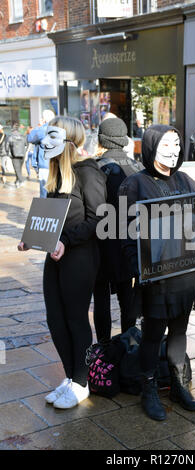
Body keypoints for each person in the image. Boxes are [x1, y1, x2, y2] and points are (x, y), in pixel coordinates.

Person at [18, 116, 107, 409]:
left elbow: (100, 220)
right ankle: (70, 376)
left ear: (69, 140)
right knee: (55, 319)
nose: (45, 140)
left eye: (51, 134)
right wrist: (33, 236)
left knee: (76, 319)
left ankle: (82, 382)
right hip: (55, 256)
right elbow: (51, 215)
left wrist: (65, 240)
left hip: (79, 257)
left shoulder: (88, 174)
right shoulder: (56, 174)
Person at [119, 124, 195, 421]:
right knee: (153, 334)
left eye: (177, 143)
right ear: (152, 147)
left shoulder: (186, 179)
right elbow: (124, 233)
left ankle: (178, 384)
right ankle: (149, 388)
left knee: (180, 331)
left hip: (186, 274)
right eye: (167, 144)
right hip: (156, 277)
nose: (174, 149)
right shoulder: (134, 184)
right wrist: (136, 269)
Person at [93, 117, 143, 342]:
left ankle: (103, 348)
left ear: (102, 139)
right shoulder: (139, 169)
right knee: (127, 296)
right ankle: (128, 344)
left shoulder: (94, 168)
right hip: (131, 243)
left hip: (101, 244)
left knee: (101, 296)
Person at [27, 109, 55, 198]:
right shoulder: (60, 128)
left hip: (45, 165)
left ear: (44, 119)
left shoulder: (43, 129)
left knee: (44, 193)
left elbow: (30, 138)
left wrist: (39, 126)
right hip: (57, 163)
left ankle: (46, 211)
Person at [7, 122, 27, 188]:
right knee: (19, 169)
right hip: (22, 154)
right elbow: (26, 145)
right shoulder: (23, 136)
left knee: (17, 169)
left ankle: (21, 181)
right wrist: (24, 152)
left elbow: (7, 146)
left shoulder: (11, 136)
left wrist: (9, 154)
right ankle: (17, 181)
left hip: (14, 155)